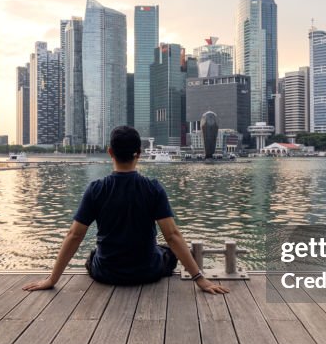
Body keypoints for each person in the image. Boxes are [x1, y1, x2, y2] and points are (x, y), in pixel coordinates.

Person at [23, 125, 229, 295]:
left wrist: (52, 279)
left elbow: (74, 235)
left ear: (110, 152)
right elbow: (173, 235)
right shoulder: (153, 188)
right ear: (139, 154)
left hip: (107, 273)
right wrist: (200, 279)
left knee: (93, 254)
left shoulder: (96, 189)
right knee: (166, 252)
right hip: (148, 271)